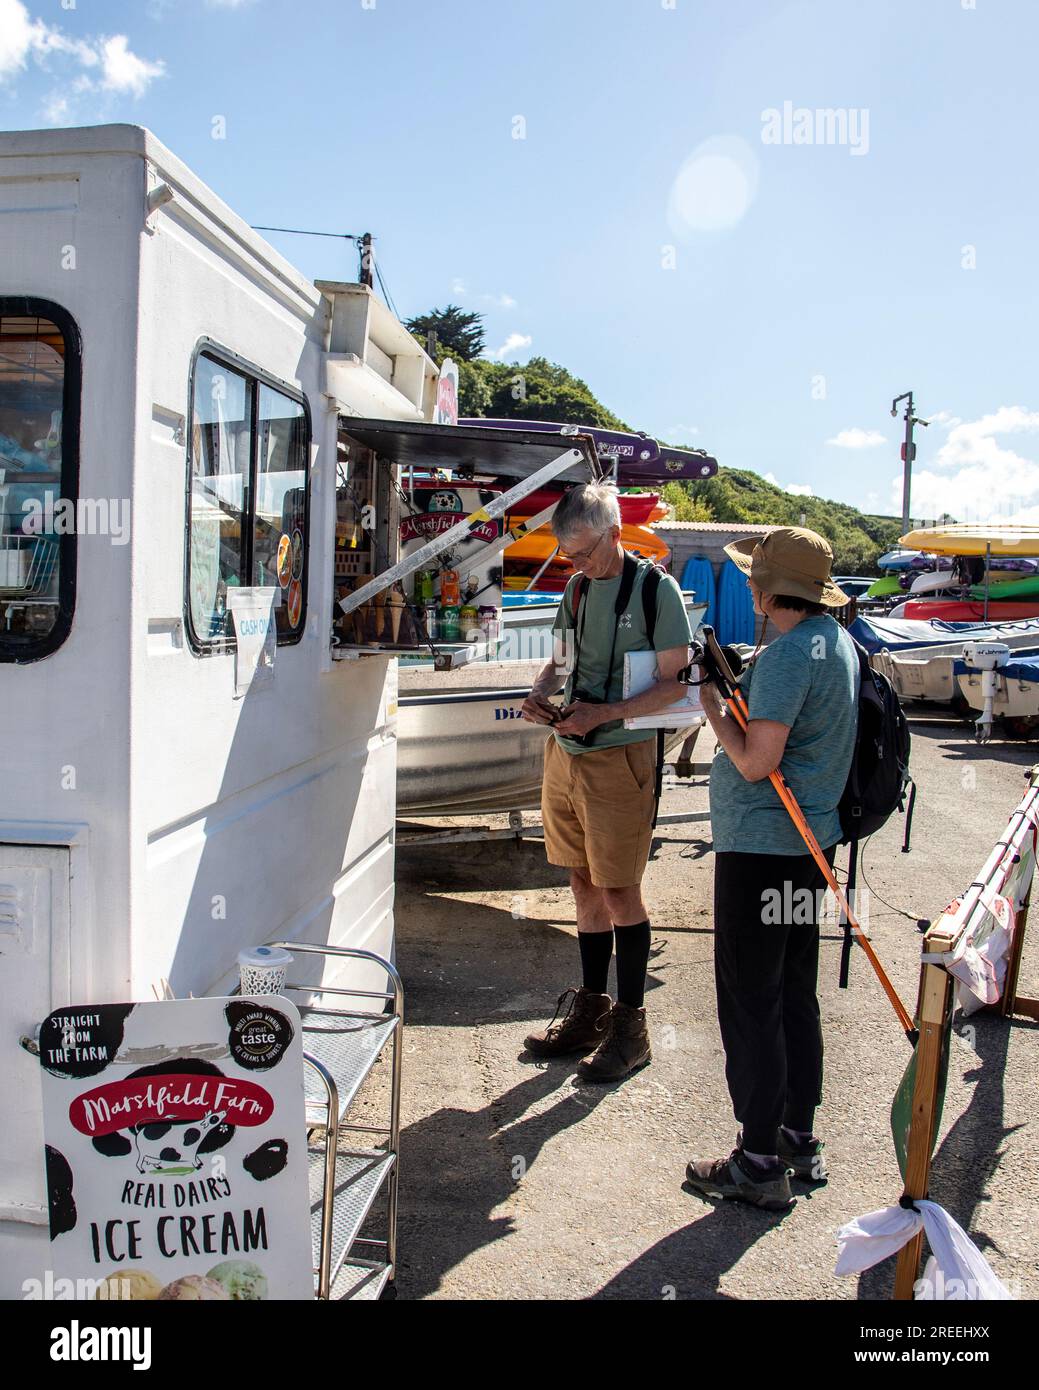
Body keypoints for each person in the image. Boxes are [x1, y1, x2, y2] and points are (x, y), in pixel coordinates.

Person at [684, 527, 859, 1210]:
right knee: (790, 993)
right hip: (807, 848)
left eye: (753, 576)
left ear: (763, 589)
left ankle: (755, 1162)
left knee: (750, 1000)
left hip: (762, 850)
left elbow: (756, 762)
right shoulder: (835, 643)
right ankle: (796, 1139)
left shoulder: (789, 655)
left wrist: (710, 706)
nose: (749, 585)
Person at [519, 483, 693, 1081]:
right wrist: (541, 693)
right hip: (569, 750)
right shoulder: (577, 586)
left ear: (615, 534)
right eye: (568, 555)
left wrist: (603, 714)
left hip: (620, 756)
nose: (577, 565)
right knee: (582, 882)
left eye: (585, 553)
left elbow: (676, 685)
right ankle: (591, 1012)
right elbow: (565, 662)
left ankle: (631, 1027)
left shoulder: (655, 591)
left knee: (619, 890)